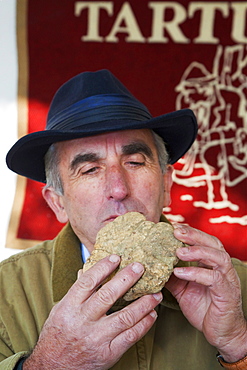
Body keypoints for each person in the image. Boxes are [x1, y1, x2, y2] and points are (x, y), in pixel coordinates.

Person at [1, 69, 246, 370]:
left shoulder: (236, 287)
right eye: (90, 169)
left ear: (166, 185)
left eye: (134, 162)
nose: (118, 189)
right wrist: (50, 363)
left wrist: (238, 345)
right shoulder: (6, 293)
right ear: (58, 203)